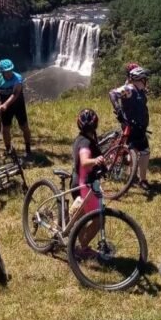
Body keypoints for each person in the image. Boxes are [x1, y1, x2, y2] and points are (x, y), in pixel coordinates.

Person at [70, 108, 106, 258]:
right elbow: (85, 162)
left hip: (79, 183)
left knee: (82, 215)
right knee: (99, 218)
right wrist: (95, 160)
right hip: (84, 186)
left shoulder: (81, 139)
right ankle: (82, 248)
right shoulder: (85, 142)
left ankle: (71, 229)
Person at [109, 66, 151, 192]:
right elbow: (112, 93)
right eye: (145, 79)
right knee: (141, 151)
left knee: (141, 151)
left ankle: (136, 177)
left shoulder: (140, 90)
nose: (146, 82)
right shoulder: (130, 89)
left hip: (139, 127)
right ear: (140, 79)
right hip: (132, 127)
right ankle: (139, 179)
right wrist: (118, 109)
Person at [0, 59, 32, 160]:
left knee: (24, 127)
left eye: (10, 70)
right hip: (5, 108)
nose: (9, 73)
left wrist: (5, 104)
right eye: (7, 71)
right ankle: (8, 150)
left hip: (18, 105)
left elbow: (15, 94)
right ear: (2, 72)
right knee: (5, 130)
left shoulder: (17, 78)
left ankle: (28, 149)